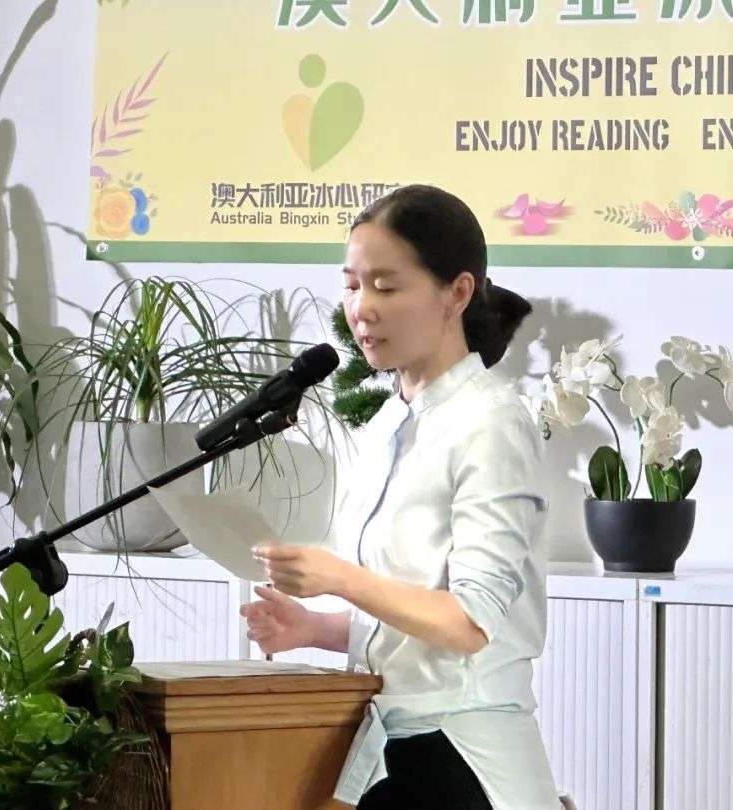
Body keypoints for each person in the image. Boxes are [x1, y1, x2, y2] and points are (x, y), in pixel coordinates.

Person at [240, 184, 562, 809]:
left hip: (467, 755)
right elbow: (410, 614)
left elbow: (467, 623)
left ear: (457, 293)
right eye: (351, 285)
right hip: (391, 746)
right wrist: (316, 628)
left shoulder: (491, 422)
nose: (361, 309)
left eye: (386, 287)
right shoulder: (388, 422)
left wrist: (337, 578)